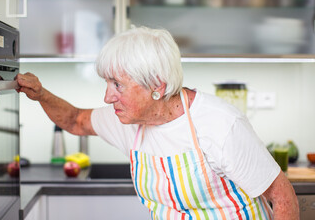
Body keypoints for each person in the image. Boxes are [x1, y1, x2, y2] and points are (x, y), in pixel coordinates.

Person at [16, 26, 299, 219]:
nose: (107, 96)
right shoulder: (127, 120)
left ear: (157, 86)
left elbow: (282, 196)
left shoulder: (219, 123)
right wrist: (40, 95)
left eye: (117, 85)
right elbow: (76, 120)